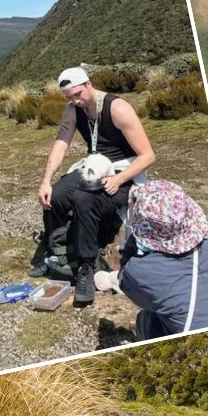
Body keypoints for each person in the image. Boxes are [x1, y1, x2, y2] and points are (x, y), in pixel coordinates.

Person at [36, 65, 156, 306]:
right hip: (94, 166)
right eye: (69, 98)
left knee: (84, 199)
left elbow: (148, 156)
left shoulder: (118, 108)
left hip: (124, 171)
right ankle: (56, 251)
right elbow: (61, 145)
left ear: (88, 84)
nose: (75, 101)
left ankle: (86, 268)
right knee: (56, 196)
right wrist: (46, 181)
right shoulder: (72, 111)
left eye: (78, 94)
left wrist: (118, 180)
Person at [117, 180, 208, 339]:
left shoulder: (142, 270)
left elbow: (124, 280)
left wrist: (131, 224)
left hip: (199, 347)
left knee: (146, 319)